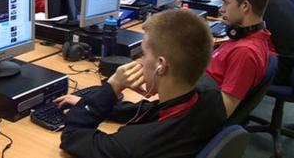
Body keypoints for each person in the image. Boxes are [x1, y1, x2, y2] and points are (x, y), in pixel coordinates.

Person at [55, 10, 226, 158]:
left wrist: (113, 86)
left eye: (143, 54)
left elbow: (72, 137)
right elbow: (150, 110)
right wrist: (94, 103)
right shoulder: (209, 93)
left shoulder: (135, 146)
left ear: (161, 66)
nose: (139, 62)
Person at [206, 0, 273, 118]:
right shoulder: (246, 37)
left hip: (192, 114)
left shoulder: (245, 53)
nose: (221, 9)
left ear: (244, 6)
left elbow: (220, 113)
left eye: (226, 3)